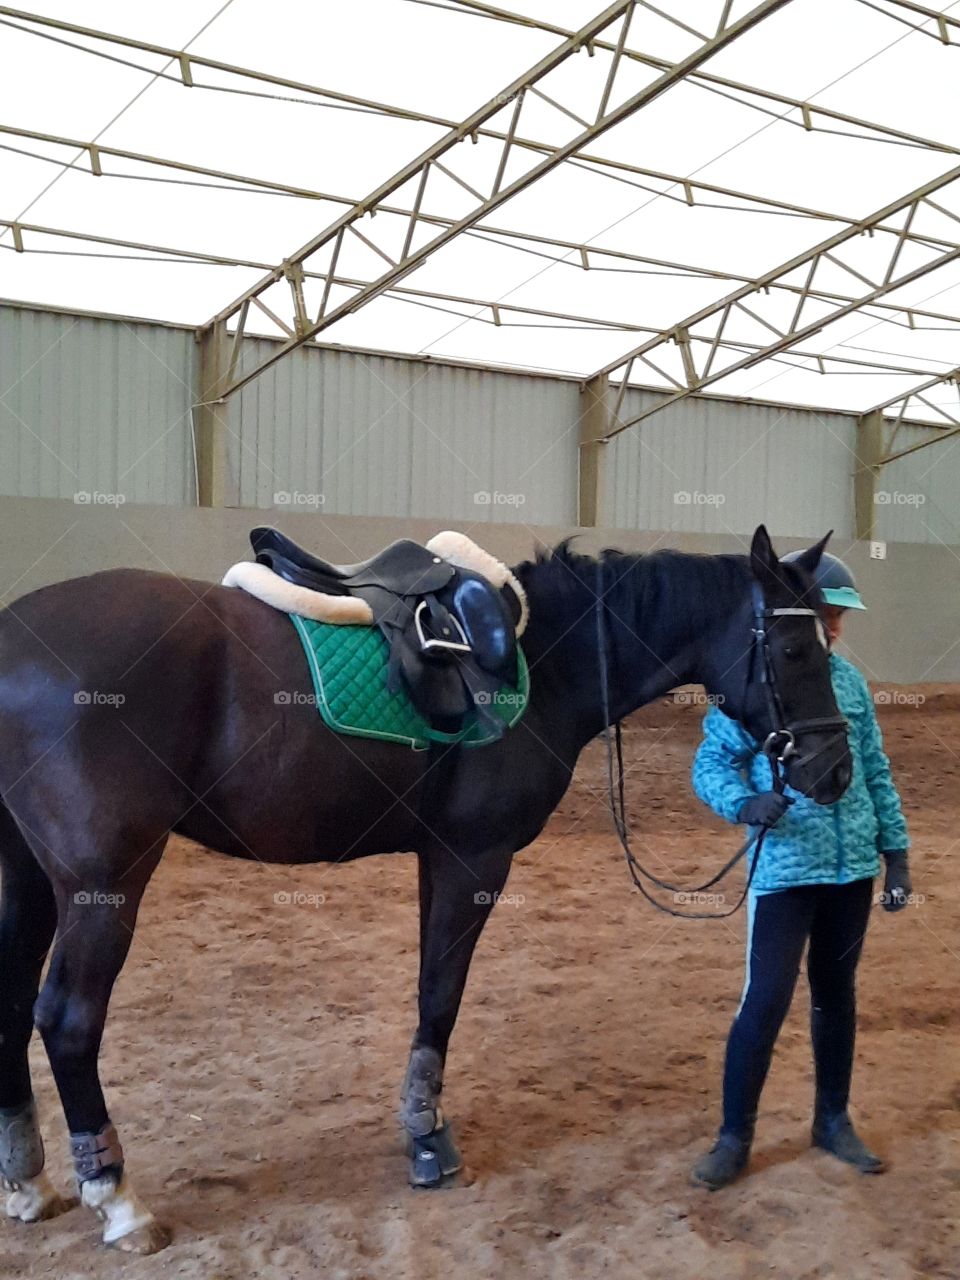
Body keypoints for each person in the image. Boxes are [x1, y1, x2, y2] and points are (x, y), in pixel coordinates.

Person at [690, 550, 913, 1190]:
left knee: (836, 995)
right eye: (827, 614)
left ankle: (832, 1120)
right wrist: (745, 802)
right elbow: (710, 766)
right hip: (786, 870)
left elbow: (875, 772)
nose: (836, 629)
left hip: (851, 874)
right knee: (765, 1001)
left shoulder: (850, 685)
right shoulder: (751, 681)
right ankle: (735, 1137)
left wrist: (894, 853)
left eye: (840, 617)